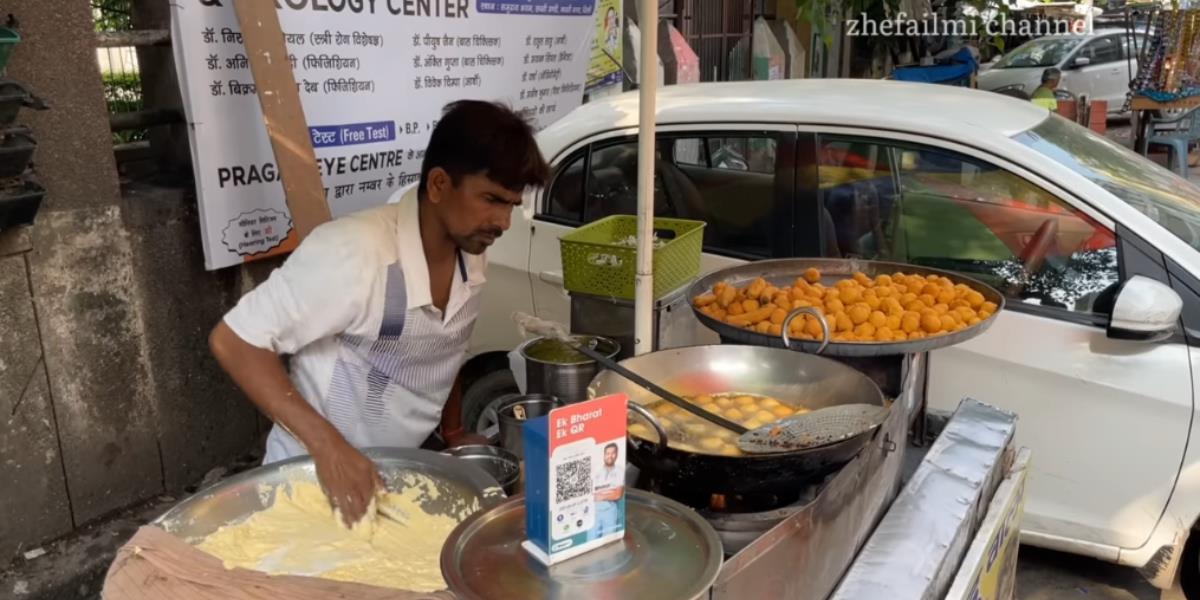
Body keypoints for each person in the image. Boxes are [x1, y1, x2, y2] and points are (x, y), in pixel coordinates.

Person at [208, 100, 549, 526]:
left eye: (512, 205)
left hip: (398, 479)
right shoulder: (354, 252)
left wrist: (456, 433)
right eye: (492, 200)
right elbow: (235, 340)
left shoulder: (472, 253)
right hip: (312, 485)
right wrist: (330, 448)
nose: (503, 222)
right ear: (440, 184)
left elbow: (446, 346)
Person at [589, 442, 624, 541]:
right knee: (590, 543)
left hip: (610, 510)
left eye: (613, 453)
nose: (610, 456)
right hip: (593, 511)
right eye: (607, 453)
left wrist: (601, 496)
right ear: (604, 455)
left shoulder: (620, 471)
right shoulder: (596, 470)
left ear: (616, 454)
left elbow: (617, 494)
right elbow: (590, 493)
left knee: (608, 543)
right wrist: (608, 493)